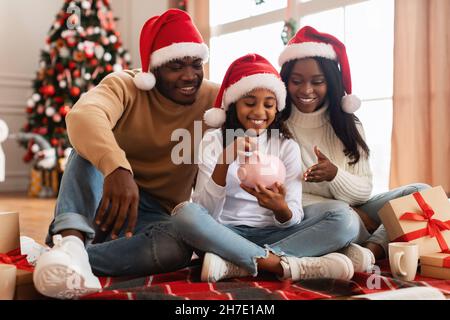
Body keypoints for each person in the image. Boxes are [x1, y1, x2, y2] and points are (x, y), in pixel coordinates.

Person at [33, 9, 219, 299]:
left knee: (178, 247)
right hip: (103, 197)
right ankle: (70, 239)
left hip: (155, 216)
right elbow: (83, 116)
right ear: (153, 70)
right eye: (176, 66)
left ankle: (71, 257)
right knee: (85, 151)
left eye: (196, 64)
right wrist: (117, 169)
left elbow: (260, 109)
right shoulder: (125, 85)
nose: (189, 75)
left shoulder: (213, 99)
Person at [171, 53, 361, 283]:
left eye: (269, 105)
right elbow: (204, 211)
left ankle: (239, 263)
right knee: (184, 214)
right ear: (234, 104)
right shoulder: (213, 140)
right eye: (250, 103)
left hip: (277, 233)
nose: (260, 113)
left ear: (277, 108)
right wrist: (225, 160)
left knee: (345, 218)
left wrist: (280, 209)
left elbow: (293, 216)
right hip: (226, 233)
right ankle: (279, 265)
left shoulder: (285, 146)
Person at [278, 26, 430, 272]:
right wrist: (351, 211)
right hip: (313, 215)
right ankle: (352, 242)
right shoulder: (277, 126)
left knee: (422, 194)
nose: (306, 90)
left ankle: (369, 251)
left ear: (331, 82)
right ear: (286, 81)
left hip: (352, 209)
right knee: (343, 218)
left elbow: (364, 189)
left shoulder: (349, 123)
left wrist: (335, 175)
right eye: (297, 81)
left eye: (318, 82)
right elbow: (285, 195)